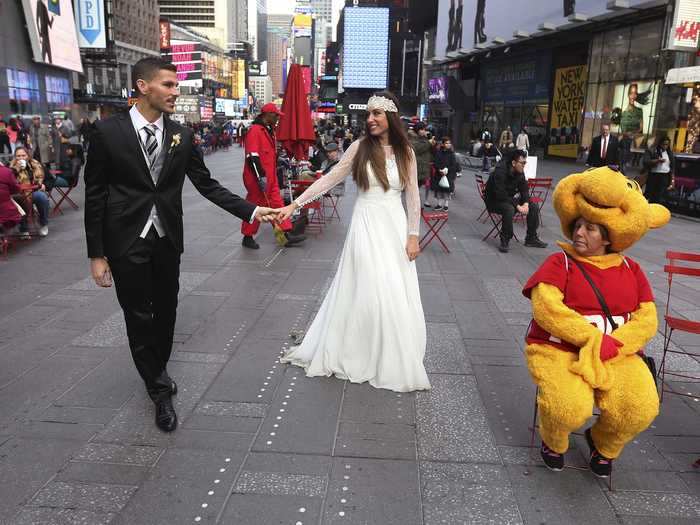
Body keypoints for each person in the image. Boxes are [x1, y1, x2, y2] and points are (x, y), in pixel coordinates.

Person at [84, 57, 278, 433]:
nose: (177, 92)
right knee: (138, 316)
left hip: (167, 239)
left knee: (167, 313)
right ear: (143, 86)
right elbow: (95, 195)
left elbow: (207, 185)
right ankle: (159, 390)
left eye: (176, 86)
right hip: (125, 241)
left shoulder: (183, 136)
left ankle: (157, 370)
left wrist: (253, 210)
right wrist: (96, 254)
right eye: (169, 85)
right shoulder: (107, 133)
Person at [275, 91, 430, 392]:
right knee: (367, 285)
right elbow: (329, 179)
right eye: (368, 114)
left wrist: (413, 235)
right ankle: (359, 347)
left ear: (391, 117)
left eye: (377, 114)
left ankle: (388, 348)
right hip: (365, 224)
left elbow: (412, 197)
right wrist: (294, 205)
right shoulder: (359, 148)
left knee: (393, 288)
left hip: (395, 225)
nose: (370, 119)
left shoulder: (405, 152)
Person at [522, 167, 670, 478]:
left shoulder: (631, 268)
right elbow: (546, 308)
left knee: (640, 407)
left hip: (616, 351)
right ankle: (554, 439)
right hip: (560, 349)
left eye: (590, 229)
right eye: (578, 226)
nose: (579, 233)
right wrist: (590, 338)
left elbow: (646, 318)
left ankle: (603, 444)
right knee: (568, 406)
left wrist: (615, 344)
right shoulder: (559, 262)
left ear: (608, 236)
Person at [240, 103, 306, 250]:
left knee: (277, 203)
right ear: (267, 115)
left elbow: (267, 154)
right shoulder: (255, 131)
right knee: (255, 206)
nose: (277, 118)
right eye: (276, 115)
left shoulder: (268, 130)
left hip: (271, 177)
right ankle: (247, 236)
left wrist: (278, 160)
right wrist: (260, 177)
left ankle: (286, 233)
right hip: (258, 179)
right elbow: (252, 156)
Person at [484, 149, 547, 253]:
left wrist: (526, 204)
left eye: (525, 162)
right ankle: (505, 239)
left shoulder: (520, 172)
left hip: (509, 199)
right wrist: (518, 206)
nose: (524, 165)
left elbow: (524, 189)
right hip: (494, 201)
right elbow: (500, 194)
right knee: (509, 209)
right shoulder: (500, 171)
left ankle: (531, 238)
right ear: (513, 163)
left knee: (533, 206)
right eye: (522, 163)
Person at [10, 147, 50, 237]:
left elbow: (49, 178)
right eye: (18, 156)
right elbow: (8, 181)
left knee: (41, 197)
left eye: (23, 155)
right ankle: (23, 227)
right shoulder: (10, 167)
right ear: (15, 157)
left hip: (34, 191)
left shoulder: (35, 164)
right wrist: (16, 169)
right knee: (19, 198)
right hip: (18, 193)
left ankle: (43, 224)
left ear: (28, 156)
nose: (21, 158)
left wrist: (44, 185)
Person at [643, 135, 674, 204]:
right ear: (660, 143)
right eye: (664, 144)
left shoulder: (669, 153)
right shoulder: (653, 150)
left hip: (664, 176)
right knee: (650, 193)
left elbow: (672, 167)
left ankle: (657, 209)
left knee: (660, 195)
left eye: (667, 144)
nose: (665, 146)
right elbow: (646, 161)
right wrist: (657, 161)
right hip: (654, 175)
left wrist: (672, 179)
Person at [431, 137, 460, 211]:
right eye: (446, 143)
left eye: (449, 143)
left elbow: (453, 165)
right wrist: (439, 169)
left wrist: (447, 169)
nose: (448, 144)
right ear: (443, 144)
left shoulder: (452, 154)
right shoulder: (439, 152)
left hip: (449, 175)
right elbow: (435, 162)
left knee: (447, 190)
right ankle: (439, 204)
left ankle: (446, 205)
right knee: (439, 189)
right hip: (439, 174)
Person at [410, 122, 432, 204]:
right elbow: (417, 148)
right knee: (414, 189)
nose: (424, 131)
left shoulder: (424, 138)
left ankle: (416, 204)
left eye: (425, 129)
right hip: (416, 167)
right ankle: (413, 204)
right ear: (417, 130)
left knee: (418, 187)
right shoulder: (412, 138)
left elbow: (431, 151)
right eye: (422, 129)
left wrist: (431, 141)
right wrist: (429, 143)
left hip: (424, 168)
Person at [0, 164, 22, 233]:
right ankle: (24, 229)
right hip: (6, 213)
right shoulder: (6, 171)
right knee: (21, 200)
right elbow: (15, 189)